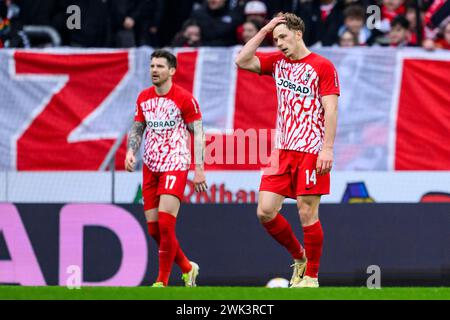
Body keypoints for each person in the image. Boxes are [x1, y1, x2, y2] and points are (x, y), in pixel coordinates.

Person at [235, 12, 340, 288]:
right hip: (281, 150)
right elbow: (242, 60)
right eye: (275, 38)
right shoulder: (277, 63)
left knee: (307, 212)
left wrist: (327, 149)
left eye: (282, 37)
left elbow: (331, 109)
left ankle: (312, 277)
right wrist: (265, 29)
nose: (278, 43)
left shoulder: (322, 66)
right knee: (265, 211)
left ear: (298, 34)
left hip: (311, 148)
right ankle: (300, 257)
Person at [125, 49, 207, 287]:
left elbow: (198, 133)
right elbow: (138, 127)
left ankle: (161, 281)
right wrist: (131, 151)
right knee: (153, 230)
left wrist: (198, 168)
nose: (154, 70)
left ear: (172, 71)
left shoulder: (184, 98)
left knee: (165, 224)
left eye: (160, 66)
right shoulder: (144, 97)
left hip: (175, 164)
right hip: (151, 167)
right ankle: (187, 267)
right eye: (152, 66)